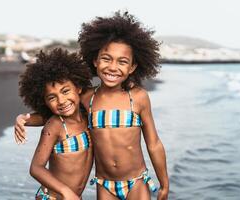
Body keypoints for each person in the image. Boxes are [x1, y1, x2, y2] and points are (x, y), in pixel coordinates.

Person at [15, 11, 169, 200]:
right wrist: (25, 119)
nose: (113, 67)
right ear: (95, 60)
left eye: (122, 62)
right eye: (106, 59)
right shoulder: (88, 97)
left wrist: (164, 182)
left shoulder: (138, 98)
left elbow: (153, 143)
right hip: (104, 184)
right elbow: (56, 113)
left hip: (136, 181)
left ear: (132, 67)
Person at [18, 48, 93, 200]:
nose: (61, 101)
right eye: (52, 97)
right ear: (44, 102)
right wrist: (66, 192)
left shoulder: (88, 115)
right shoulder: (55, 126)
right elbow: (36, 168)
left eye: (65, 91)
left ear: (78, 88)